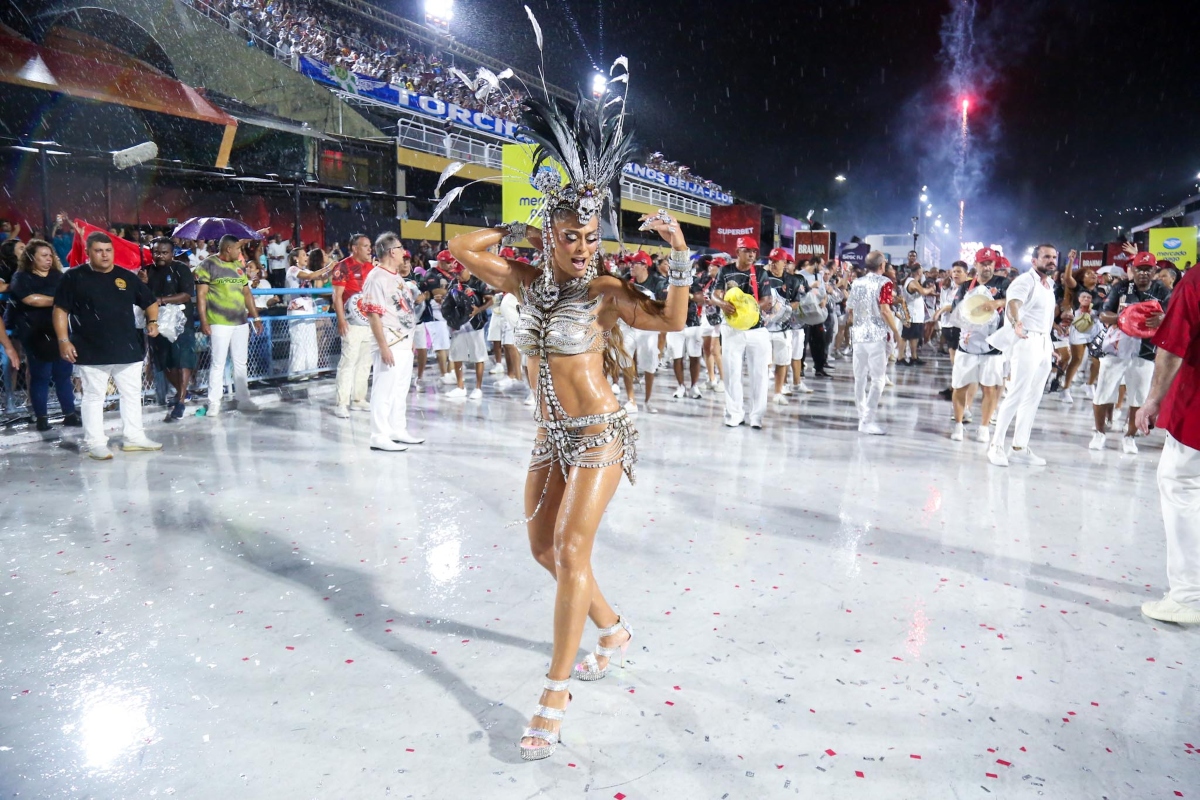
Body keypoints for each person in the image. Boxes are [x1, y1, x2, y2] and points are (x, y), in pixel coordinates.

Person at [447, 69, 689, 760]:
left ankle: (554, 694)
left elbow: (670, 322)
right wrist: (518, 223)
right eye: (569, 236)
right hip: (548, 436)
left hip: (600, 433)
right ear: (549, 238)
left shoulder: (608, 290)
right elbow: (464, 249)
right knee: (543, 550)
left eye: (590, 236)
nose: (583, 246)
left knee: (574, 550)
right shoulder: (524, 279)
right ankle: (613, 630)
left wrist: (677, 254)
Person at [52, 232, 161, 459]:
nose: (104, 255)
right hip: (91, 348)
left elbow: (149, 301)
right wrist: (63, 340)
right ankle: (95, 442)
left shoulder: (126, 277)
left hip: (128, 347)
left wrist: (153, 321)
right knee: (93, 396)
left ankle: (134, 437)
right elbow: (60, 310)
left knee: (132, 394)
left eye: (108, 250)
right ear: (89, 252)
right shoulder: (73, 277)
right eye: (99, 250)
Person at [1135, 255, 1200, 624]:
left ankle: (1189, 595)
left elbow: (1173, 347)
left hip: (1197, 411)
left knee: (1180, 484)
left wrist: (1153, 400)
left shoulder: (1195, 281)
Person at [1089, 251, 1170, 454]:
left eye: (1147, 269)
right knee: (1103, 392)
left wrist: (1163, 319)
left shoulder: (1163, 290)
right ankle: (1099, 433)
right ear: (1132, 269)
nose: (1143, 273)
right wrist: (1124, 318)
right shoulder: (1121, 287)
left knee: (1139, 396)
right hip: (1116, 349)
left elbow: (1174, 316)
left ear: (1154, 270)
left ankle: (1130, 437)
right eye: (1139, 269)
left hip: (1146, 351)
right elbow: (1103, 314)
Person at [988, 244, 1058, 467]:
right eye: (1046, 257)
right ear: (1034, 261)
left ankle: (1019, 446)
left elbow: (1042, 314)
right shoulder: (1024, 281)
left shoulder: (1049, 284)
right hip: (1026, 340)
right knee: (1016, 394)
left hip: (1044, 342)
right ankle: (996, 445)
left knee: (1034, 396)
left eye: (1054, 257)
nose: (1051, 260)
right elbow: (1013, 304)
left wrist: (1050, 343)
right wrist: (1016, 322)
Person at [360, 232, 425, 451]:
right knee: (383, 389)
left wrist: (411, 337)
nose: (404, 253)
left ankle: (397, 428)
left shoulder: (396, 277)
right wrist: (383, 346)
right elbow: (373, 315)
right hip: (389, 341)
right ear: (391, 251)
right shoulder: (376, 278)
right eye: (400, 248)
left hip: (404, 341)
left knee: (399, 389)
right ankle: (379, 434)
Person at [7, 239, 78, 430]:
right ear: (32, 257)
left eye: (50, 255)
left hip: (59, 331)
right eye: (43, 256)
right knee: (41, 376)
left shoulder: (58, 276)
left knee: (64, 374)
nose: (48, 259)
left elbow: (71, 297)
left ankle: (70, 414)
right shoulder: (21, 277)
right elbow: (31, 300)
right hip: (35, 333)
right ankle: (42, 418)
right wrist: (58, 300)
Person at [195, 234, 264, 417]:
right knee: (217, 363)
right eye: (238, 249)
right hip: (219, 322)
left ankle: (244, 399)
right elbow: (201, 295)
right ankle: (214, 403)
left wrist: (255, 318)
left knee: (241, 362)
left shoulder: (238, 267)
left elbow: (247, 294)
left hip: (241, 321)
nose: (240, 252)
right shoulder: (208, 265)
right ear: (228, 249)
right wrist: (204, 320)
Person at [708, 236, 772, 428]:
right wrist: (721, 304)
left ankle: (756, 417)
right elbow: (714, 294)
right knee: (732, 372)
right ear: (738, 252)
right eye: (747, 251)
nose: (752, 255)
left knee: (759, 374)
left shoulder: (760, 272)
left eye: (754, 251)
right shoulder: (726, 271)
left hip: (757, 330)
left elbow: (767, 300)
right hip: (732, 330)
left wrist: (749, 310)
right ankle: (734, 414)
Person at [949, 250, 1008, 442]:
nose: (987, 266)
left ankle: (984, 427)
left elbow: (1017, 302)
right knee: (959, 386)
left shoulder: (1003, 284)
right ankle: (958, 425)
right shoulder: (966, 286)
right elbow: (956, 309)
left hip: (993, 347)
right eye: (983, 263)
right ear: (976, 264)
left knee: (989, 388)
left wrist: (998, 302)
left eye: (990, 263)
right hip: (967, 345)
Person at [846, 251, 899, 434]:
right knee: (878, 380)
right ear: (882, 265)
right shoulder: (885, 283)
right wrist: (896, 331)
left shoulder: (857, 282)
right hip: (876, 337)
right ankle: (867, 421)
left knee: (859, 378)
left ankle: (862, 416)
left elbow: (850, 309)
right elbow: (885, 310)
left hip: (858, 336)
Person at [145, 237, 198, 421]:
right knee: (165, 362)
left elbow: (186, 294)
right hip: (157, 323)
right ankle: (182, 391)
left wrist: (162, 300)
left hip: (182, 323)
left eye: (164, 252)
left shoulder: (181, 268)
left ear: (172, 253)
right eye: (156, 252)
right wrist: (142, 283)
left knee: (182, 360)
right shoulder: (147, 271)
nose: (159, 256)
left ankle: (181, 401)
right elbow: (143, 296)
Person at [331, 233, 374, 417]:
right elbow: (337, 296)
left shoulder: (371, 268)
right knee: (348, 361)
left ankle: (358, 399)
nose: (369, 249)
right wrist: (341, 320)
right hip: (352, 323)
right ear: (355, 248)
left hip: (369, 322)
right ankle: (342, 403)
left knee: (365, 362)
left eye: (370, 245)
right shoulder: (343, 266)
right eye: (365, 246)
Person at [445, 262, 494, 400]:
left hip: (475, 324)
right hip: (458, 325)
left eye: (460, 272)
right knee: (457, 355)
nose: (457, 275)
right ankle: (460, 386)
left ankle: (478, 388)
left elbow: (490, 300)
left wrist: (479, 309)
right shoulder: (453, 283)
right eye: (455, 272)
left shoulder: (478, 282)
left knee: (478, 356)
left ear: (467, 269)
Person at [627, 252, 667, 412]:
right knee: (626, 360)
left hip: (649, 328)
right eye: (630, 264)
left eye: (634, 264)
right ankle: (631, 400)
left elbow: (664, 305)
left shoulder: (658, 282)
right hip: (629, 326)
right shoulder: (626, 280)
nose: (631, 267)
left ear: (644, 266)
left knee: (650, 363)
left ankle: (648, 401)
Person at [413, 250, 457, 388]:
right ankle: (444, 374)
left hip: (448, 313)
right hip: (435, 315)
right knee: (441, 345)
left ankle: (450, 372)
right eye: (448, 262)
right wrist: (450, 292)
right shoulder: (432, 274)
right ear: (441, 261)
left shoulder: (450, 274)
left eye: (452, 262)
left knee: (451, 345)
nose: (451, 265)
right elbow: (435, 292)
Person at [764, 248, 800, 405]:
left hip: (783, 328)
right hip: (763, 327)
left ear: (784, 263)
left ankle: (778, 392)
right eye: (770, 260)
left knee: (782, 361)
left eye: (775, 260)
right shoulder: (762, 277)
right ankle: (761, 390)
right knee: (762, 361)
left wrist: (783, 310)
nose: (772, 263)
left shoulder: (792, 280)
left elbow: (796, 302)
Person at [797, 255, 831, 377]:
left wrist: (824, 300)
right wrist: (811, 286)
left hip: (817, 312)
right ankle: (799, 367)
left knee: (819, 340)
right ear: (815, 264)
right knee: (803, 341)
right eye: (821, 265)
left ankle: (819, 367)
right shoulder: (800, 275)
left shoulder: (820, 277)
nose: (822, 268)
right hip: (805, 313)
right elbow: (798, 292)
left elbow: (824, 292)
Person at [899, 263, 936, 365]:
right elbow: (923, 291)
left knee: (914, 337)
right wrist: (930, 289)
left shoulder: (914, 281)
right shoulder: (912, 282)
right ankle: (900, 358)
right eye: (922, 271)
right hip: (911, 315)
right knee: (905, 336)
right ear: (919, 272)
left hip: (916, 315)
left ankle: (914, 357)